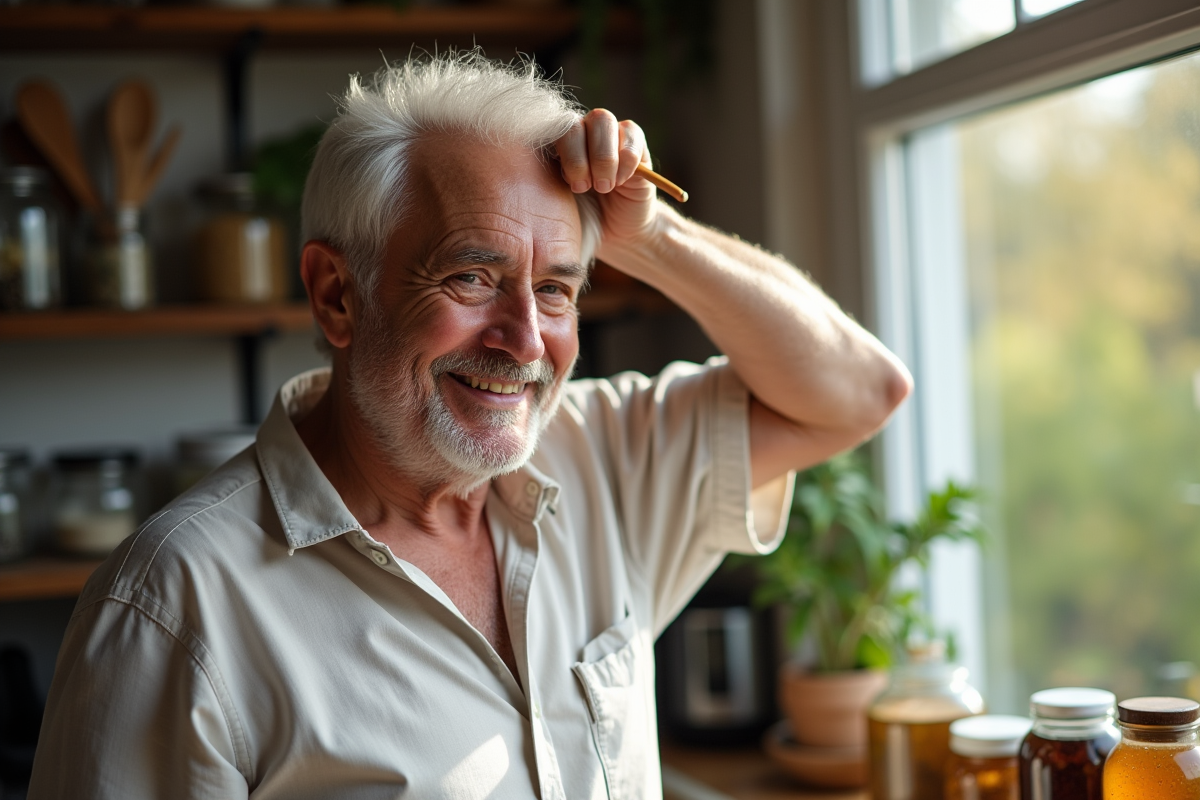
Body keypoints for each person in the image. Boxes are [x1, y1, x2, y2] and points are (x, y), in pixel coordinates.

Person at [28, 52, 911, 799]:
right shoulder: (172, 608)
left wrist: (651, 239)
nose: (524, 340)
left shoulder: (600, 457)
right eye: (471, 278)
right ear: (337, 295)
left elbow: (861, 392)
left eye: (556, 289)